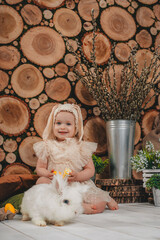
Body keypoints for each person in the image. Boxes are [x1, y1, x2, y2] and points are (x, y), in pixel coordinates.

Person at [33, 103, 118, 214]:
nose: (62, 127)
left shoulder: (81, 147)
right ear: (52, 125)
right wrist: (47, 174)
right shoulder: (47, 146)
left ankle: (104, 200)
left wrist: (78, 176)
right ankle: (76, 206)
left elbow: (90, 170)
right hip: (56, 183)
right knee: (41, 182)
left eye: (68, 124)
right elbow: (39, 168)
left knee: (99, 204)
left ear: (76, 127)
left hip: (77, 184)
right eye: (58, 123)